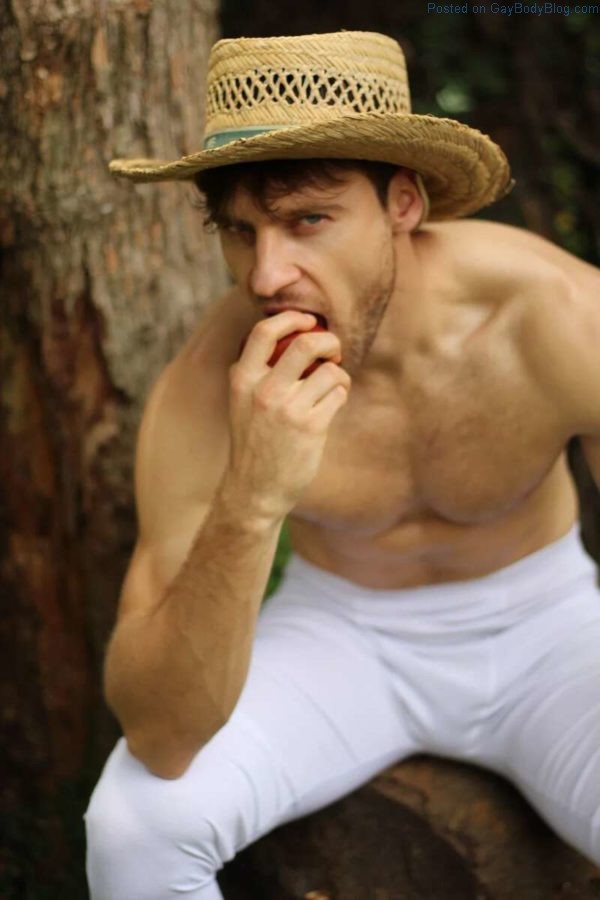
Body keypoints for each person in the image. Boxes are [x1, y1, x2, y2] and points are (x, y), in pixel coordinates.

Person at [85, 30, 600, 899]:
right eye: (240, 231)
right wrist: (252, 498)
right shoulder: (207, 387)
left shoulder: (557, 318)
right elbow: (162, 731)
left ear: (403, 203)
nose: (266, 274)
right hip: (343, 637)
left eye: (307, 220)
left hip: (548, 630)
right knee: (134, 829)